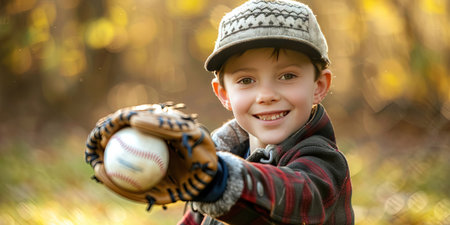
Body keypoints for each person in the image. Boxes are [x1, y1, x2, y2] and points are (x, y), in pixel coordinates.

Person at [177, 0, 354, 224]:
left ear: (318, 86)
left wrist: (219, 180)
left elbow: (295, 197)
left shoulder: (323, 163)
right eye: (247, 80)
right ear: (224, 94)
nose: (266, 95)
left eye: (287, 76)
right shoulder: (214, 162)